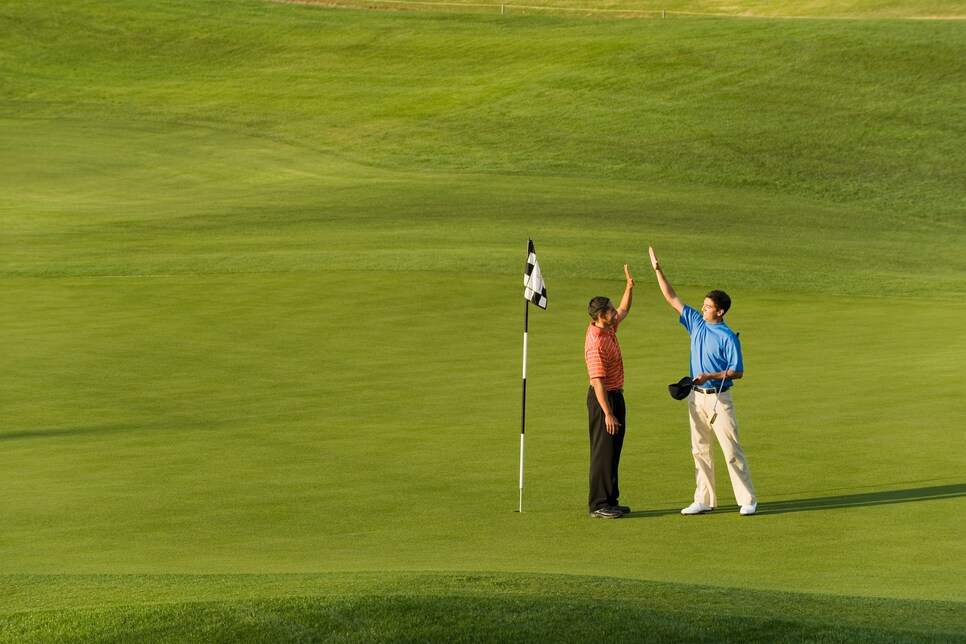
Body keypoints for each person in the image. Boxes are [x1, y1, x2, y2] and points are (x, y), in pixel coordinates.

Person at [648, 247, 757, 516]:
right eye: (703, 304)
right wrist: (658, 270)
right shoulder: (696, 322)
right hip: (695, 397)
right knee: (700, 450)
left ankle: (747, 500)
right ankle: (704, 500)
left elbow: (737, 371)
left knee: (731, 450)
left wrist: (711, 375)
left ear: (719, 312)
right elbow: (672, 298)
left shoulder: (728, 337)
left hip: (719, 398)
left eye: (708, 306)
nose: (703, 307)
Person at [584, 265, 635, 518]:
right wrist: (607, 413)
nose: (616, 312)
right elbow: (597, 381)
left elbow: (624, 310)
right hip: (602, 400)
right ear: (601, 315)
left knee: (614, 449)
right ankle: (598, 505)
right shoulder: (595, 342)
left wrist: (629, 287)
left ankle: (611, 500)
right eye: (611, 310)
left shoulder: (608, 327)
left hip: (616, 396)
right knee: (603, 451)